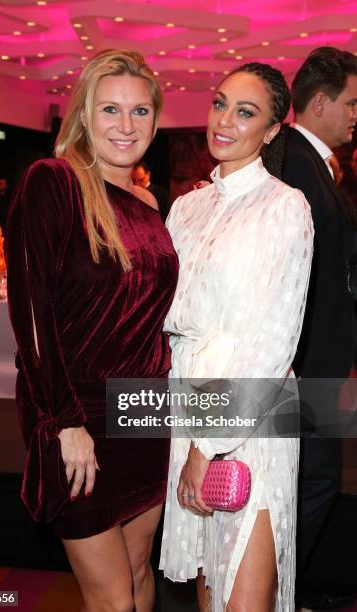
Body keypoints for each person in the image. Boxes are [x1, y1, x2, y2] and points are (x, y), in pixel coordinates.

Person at [5, 49, 178, 612]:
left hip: (147, 411)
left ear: (156, 119)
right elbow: (32, 315)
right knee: (110, 598)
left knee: (135, 573)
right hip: (78, 417)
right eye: (110, 109)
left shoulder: (153, 204)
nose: (125, 126)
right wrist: (63, 422)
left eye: (140, 111)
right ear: (83, 115)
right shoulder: (53, 182)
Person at [159, 63, 314, 612]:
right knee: (209, 590)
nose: (224, 121)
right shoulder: (186, 208)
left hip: (253, 413)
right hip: (189, 402)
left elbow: (273, 341)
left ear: (272, 130)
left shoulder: (285, 206)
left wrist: (207, 443)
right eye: (220, 103)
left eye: (245, 112)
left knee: (243, 598)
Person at [282, 47, 357, 606]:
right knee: (312, 485)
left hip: (317, 364)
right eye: (352, 103)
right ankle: (276, 590)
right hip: (304, 369)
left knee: (310, 485)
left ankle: (284, 588)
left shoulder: (311, 163)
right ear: (321, 101)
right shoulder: (293, 163)